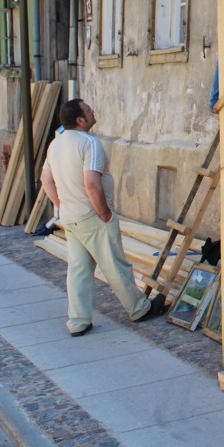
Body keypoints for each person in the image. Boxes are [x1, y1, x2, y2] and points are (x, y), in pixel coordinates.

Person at [40, 99, 165, 337]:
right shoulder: (89, 143)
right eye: (88, 110)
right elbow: (91, 183)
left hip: (70, 216)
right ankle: (139, 309)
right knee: (115, 264)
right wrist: (104, 213)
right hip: (92, 215)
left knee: (78, 270)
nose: (93, 111)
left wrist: (59, 204)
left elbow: (45, 180)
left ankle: (78, 321)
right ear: (80, 120)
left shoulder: (55, 145)